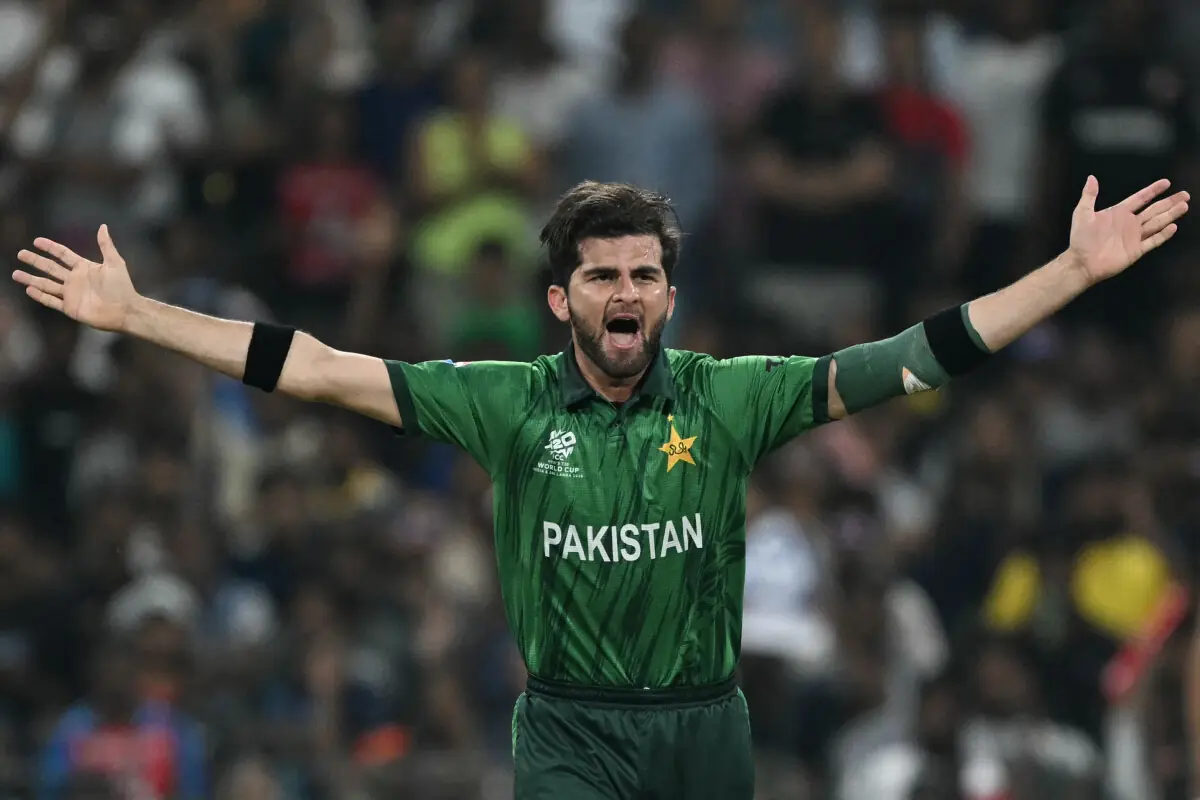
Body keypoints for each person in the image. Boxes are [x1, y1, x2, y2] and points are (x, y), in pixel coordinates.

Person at [11, 176, 1189, 799]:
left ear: (668, 296)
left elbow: (923, 352)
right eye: (601, 273)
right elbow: (310, 365)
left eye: (644, 272)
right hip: (572, 729)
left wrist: (1071, 272)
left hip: (708, 726)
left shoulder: (733, 396)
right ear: (560, 301)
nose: (625, 289)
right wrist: (136, 315)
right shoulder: (505, 400)